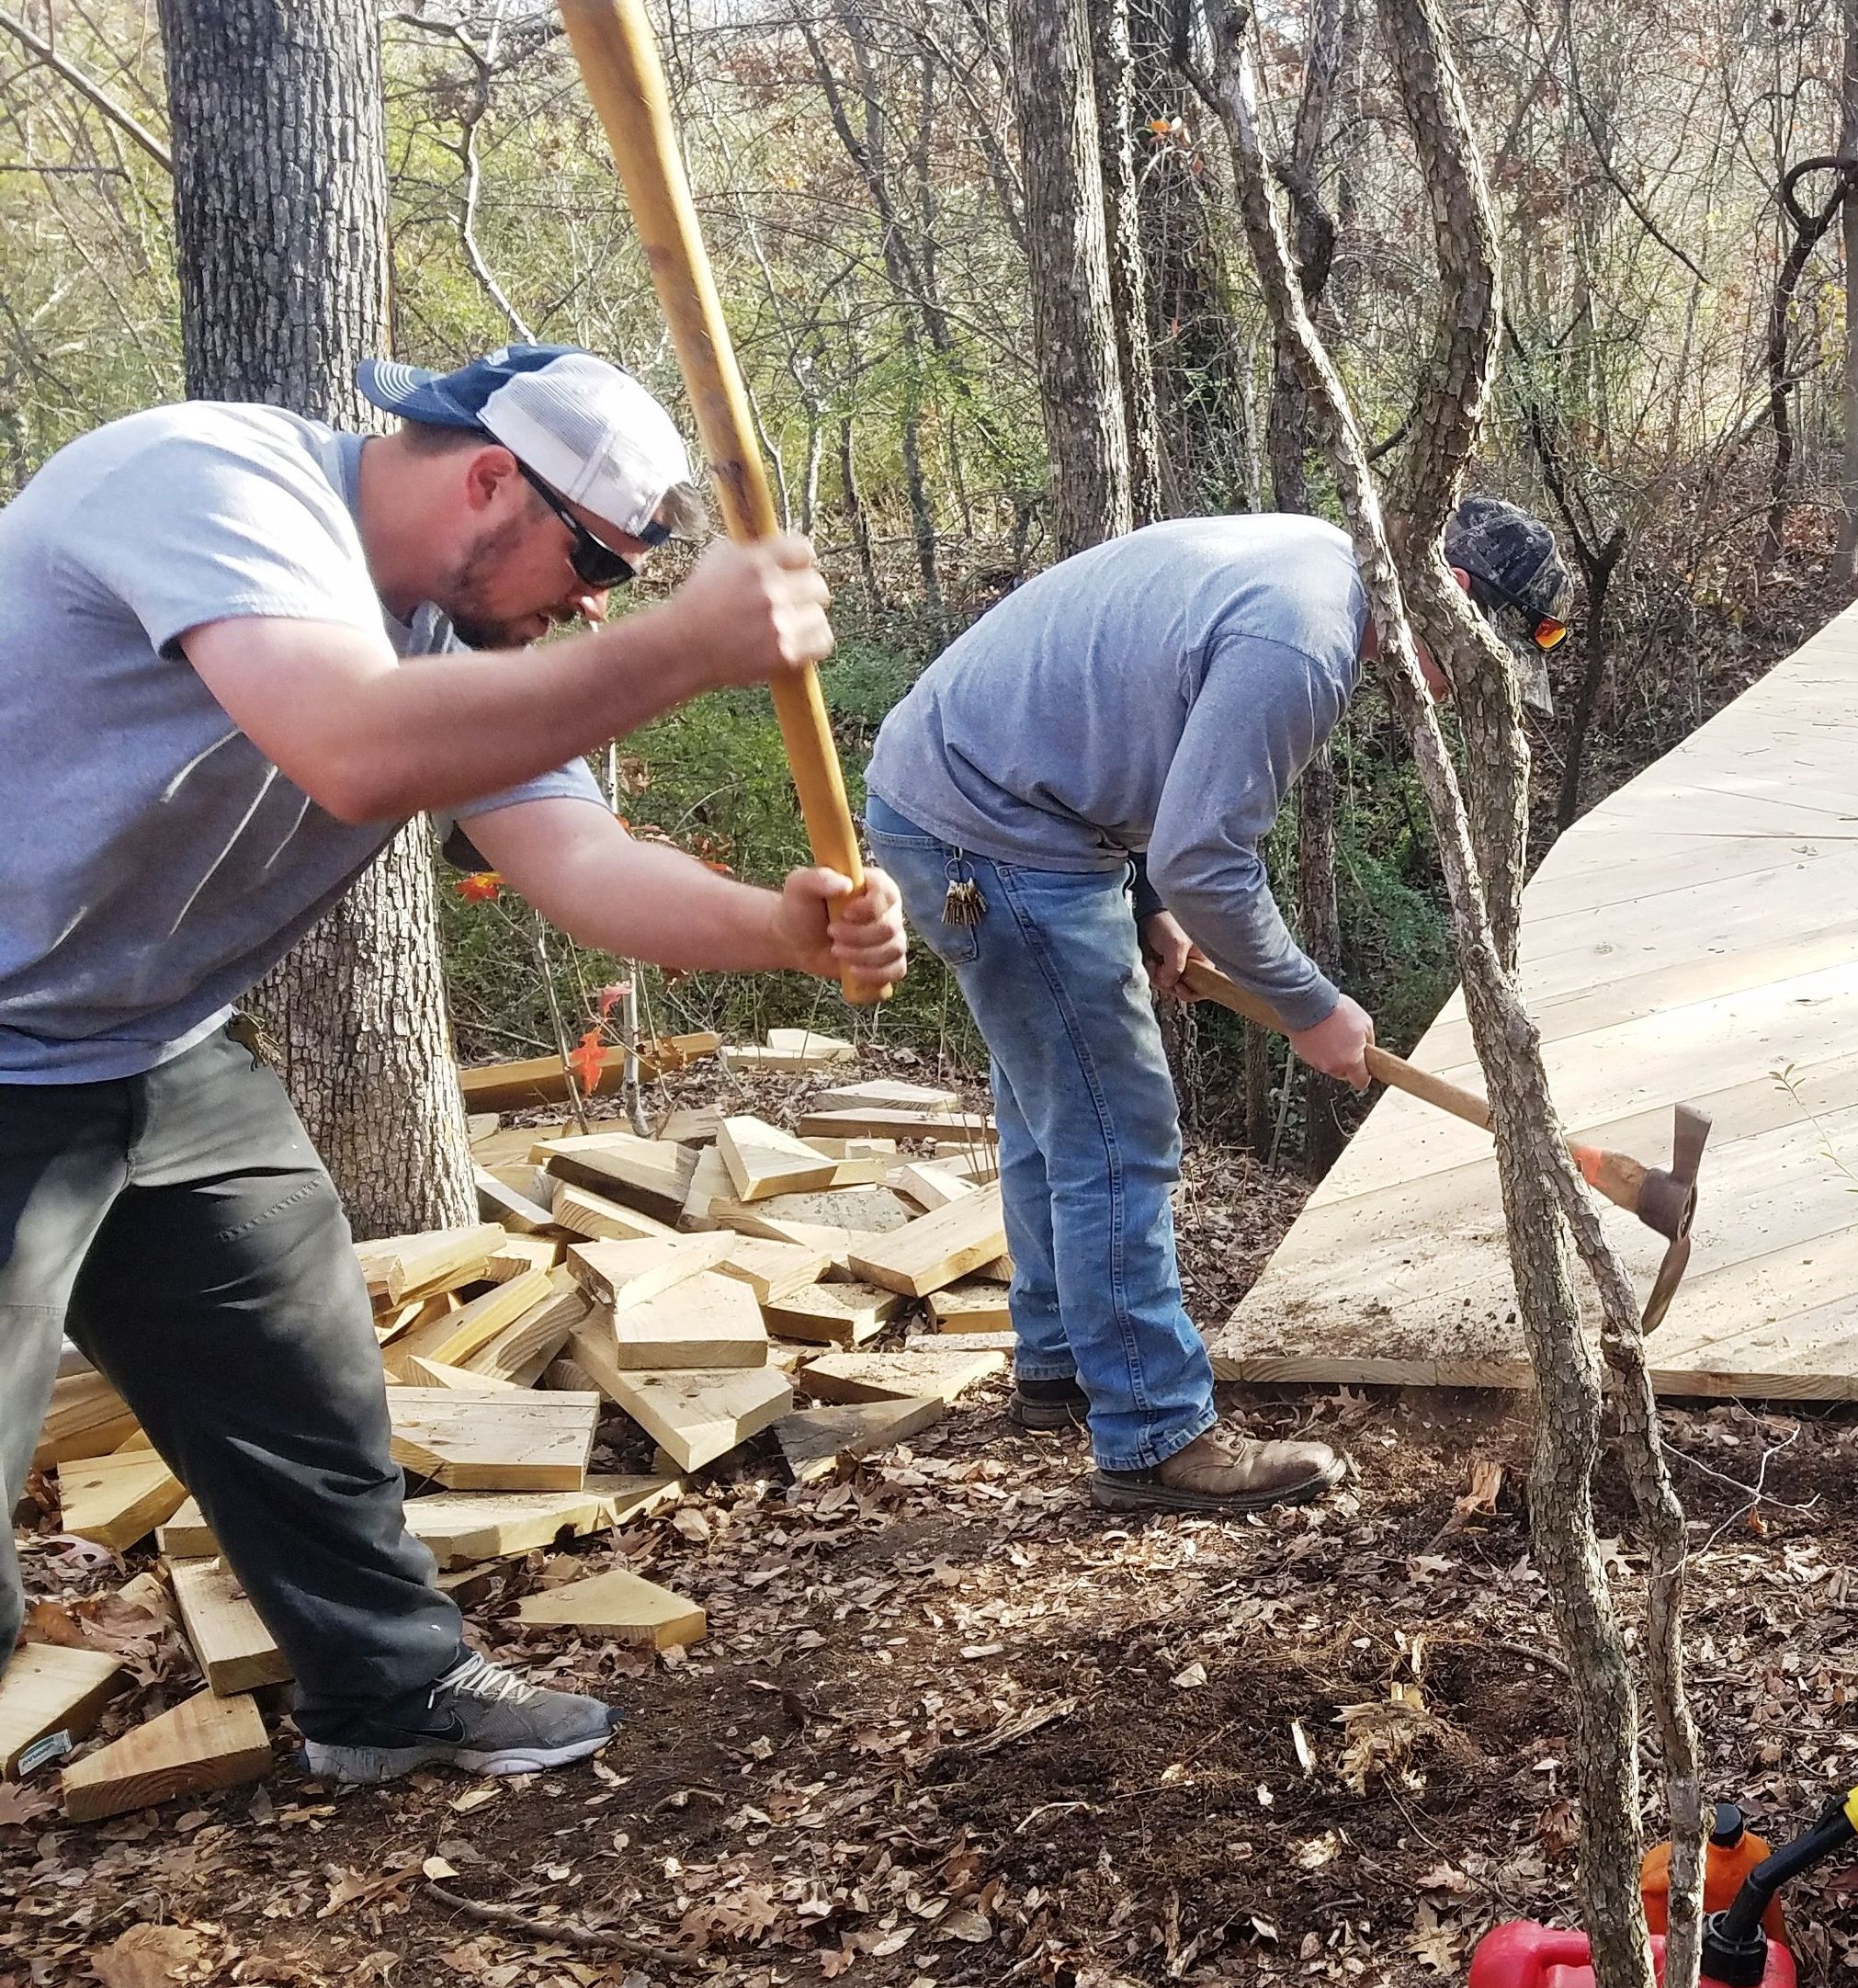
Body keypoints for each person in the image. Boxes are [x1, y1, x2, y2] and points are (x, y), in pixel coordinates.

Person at [0, 343, 910, 1784]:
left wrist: (778, 930)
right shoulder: (208, 480)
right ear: (493, 478)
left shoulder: (462, 639)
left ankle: (389, 1689)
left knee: (295, 1371)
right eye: (593, 567)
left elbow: (580, 858)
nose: (590, 609)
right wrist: (678, 646)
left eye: (617, 587)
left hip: (149, 1048)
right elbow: (354, 750)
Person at [864, 500, 1570, 1517]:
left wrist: (1151, 903)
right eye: (1481, 656)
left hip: (971, 803)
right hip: (994, 833)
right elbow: (1207, 853)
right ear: (1450, 599)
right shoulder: (1303, 640)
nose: (1458, 688)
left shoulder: (1317, 565)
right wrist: (1306, 1004)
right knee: (1118, 1127)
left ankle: (1062, 1363)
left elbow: (1144, 737)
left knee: (1050, 1105)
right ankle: (1152, 1433)